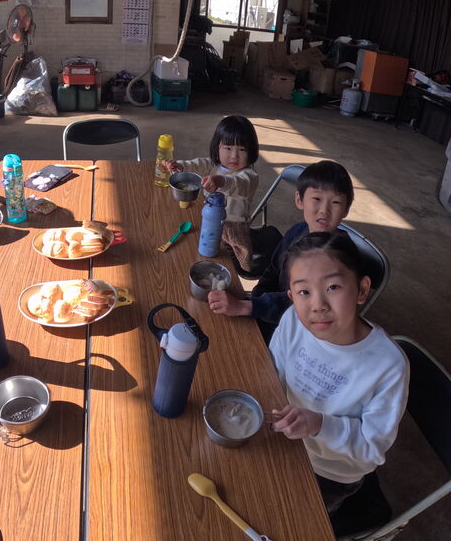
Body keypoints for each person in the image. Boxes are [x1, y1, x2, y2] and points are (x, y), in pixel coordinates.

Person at [269, 231, 409, 515]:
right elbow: (271, 374)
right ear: (291, 297)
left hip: (329, 473)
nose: (318, 304)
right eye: (304, 292)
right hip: (281, 441)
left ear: (361, 289)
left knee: (285, 520)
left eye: (332, 287)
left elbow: (371, 447)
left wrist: (319, 424)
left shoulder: (388, 366)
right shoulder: (293, 320)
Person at [209, 160, 354, 340]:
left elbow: (301, 305)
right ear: (299, 200)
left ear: (346, 210)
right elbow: (273, 270)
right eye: (317, 199)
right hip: (268, 310)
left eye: (336, 202)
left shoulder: (336, 257)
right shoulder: (297, 231)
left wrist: (248, 307)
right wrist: (255, 300)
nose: (324, 210)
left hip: (297, 330)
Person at [163, 115, 259, 270]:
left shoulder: (250, 176)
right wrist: (180, 166)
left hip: (232, 233)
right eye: (228, 148)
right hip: (207, 221)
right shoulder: (212, 165)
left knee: (222, 265)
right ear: (217, 147)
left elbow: (238, 184)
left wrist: (222, 181)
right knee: (191, 253)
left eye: (242, 149)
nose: (234, 156)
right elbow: (197, 165)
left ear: (252, 151)